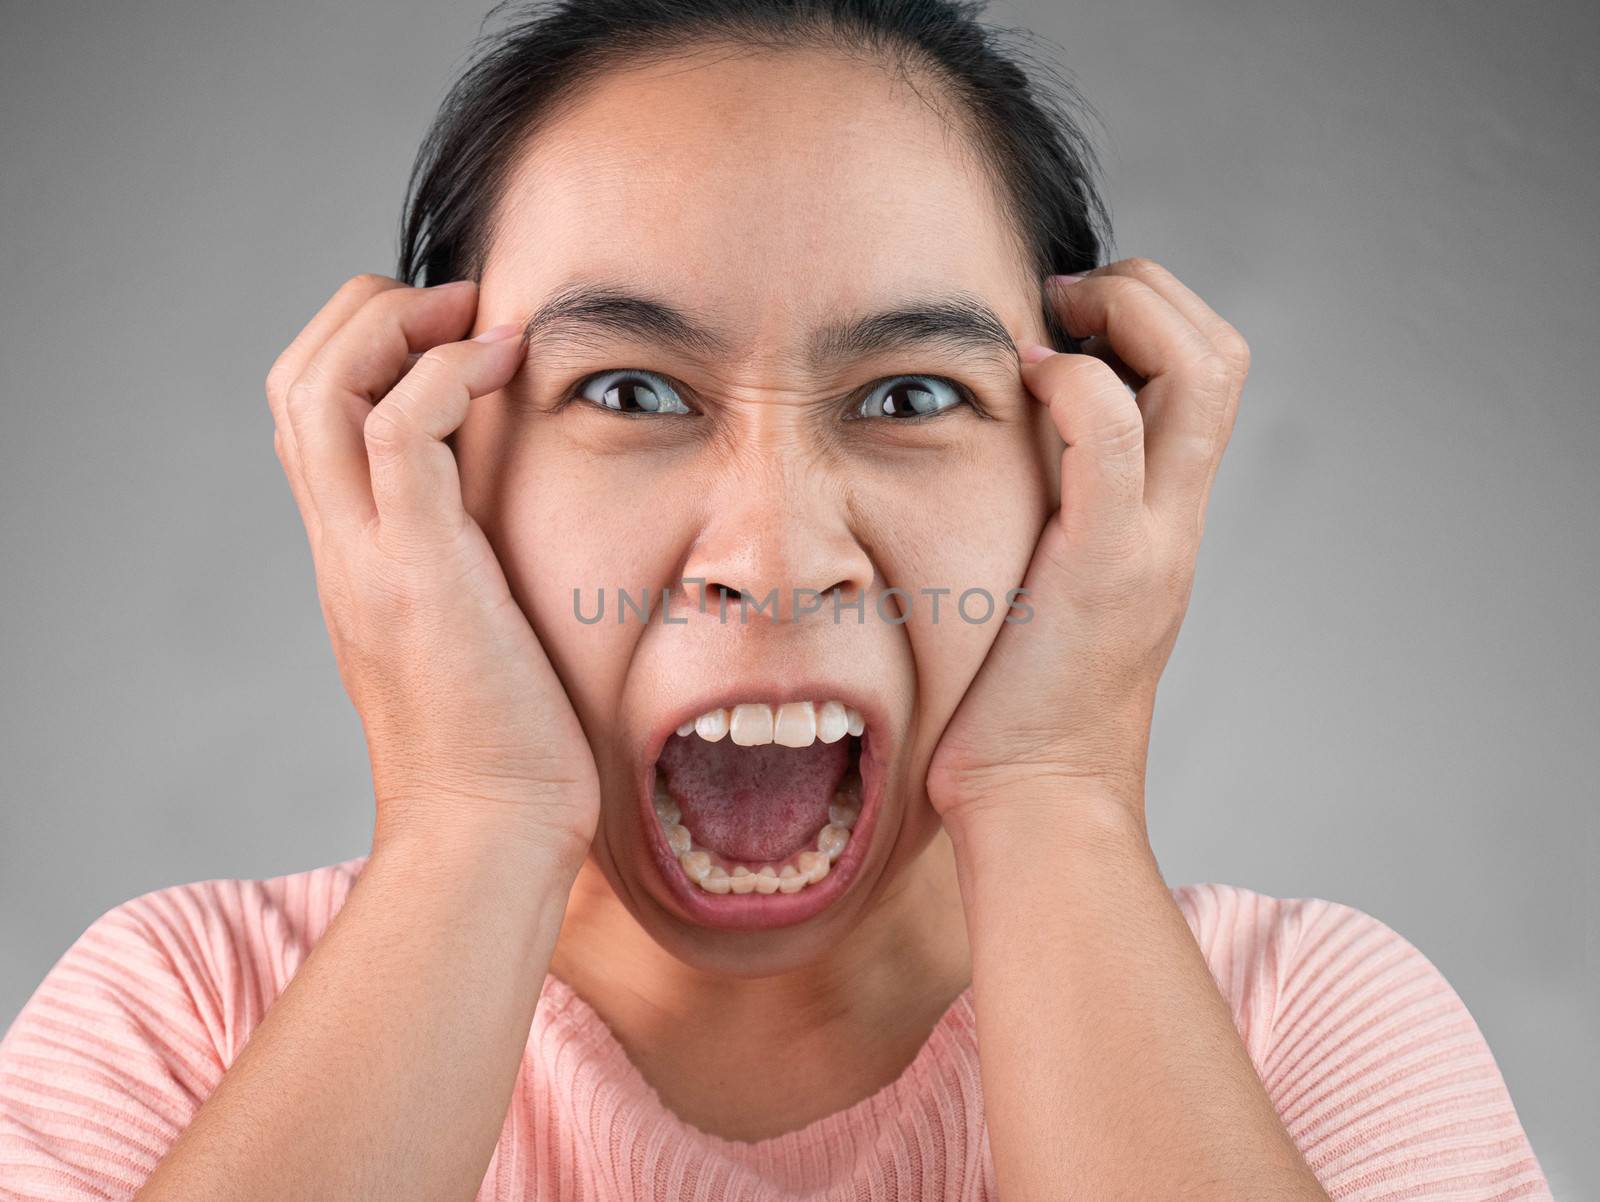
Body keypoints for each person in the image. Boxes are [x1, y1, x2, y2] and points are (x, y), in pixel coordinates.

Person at [0, 1, 1554, 1199]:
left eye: (907, 397)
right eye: (626, 386)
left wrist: (1055, 794)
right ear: (444, 464)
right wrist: (472, 816)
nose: (777, 548)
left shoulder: (1303, 1023)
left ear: (1079, 469)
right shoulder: (186, 1010)